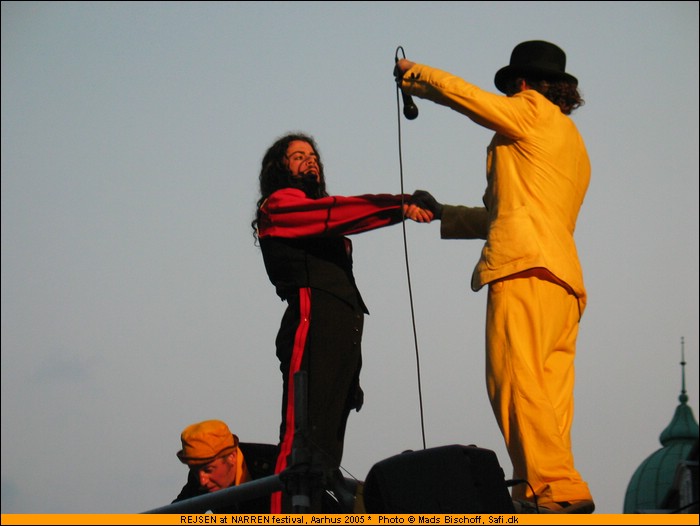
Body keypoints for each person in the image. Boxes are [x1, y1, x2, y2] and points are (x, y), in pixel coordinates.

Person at [396, 41, 594, 514]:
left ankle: (553, 487)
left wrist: (414, 75)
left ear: (524, 84)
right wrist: (445, 213)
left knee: (516, 382)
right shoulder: (571, 142)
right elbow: (505, 215)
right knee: (547, 398)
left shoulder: (531, 111)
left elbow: (470, 100)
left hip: (524, 269)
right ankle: (541, 489)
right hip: (563, 281)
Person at [251, 132, 431, 513]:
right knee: (302, 442)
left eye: (313, 155)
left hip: (339, 332)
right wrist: (398, 205)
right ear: (278, 168)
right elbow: (334, 212)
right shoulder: (280, 206)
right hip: (310, 320)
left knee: (326, 447)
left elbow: (334, 217)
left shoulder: (318, 216)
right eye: (297, 156)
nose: (309, 160)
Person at [173, 419, 269, 513]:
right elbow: (173, 516)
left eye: (208, 470)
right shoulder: (198, 476)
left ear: (232, 456)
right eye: (194, 471)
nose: (202, 481)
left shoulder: (274, 466)